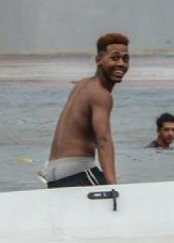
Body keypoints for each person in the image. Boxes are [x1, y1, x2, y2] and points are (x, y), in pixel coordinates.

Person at [39, 33, 130, 188]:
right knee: (117, 201)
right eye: (114, 58)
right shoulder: (101, 94)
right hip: (76, 171)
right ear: (98, 60)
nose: (121, 64)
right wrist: (113, 186)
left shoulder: (82, 84)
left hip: (53, 171)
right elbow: (103, 141)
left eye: (125, 59)